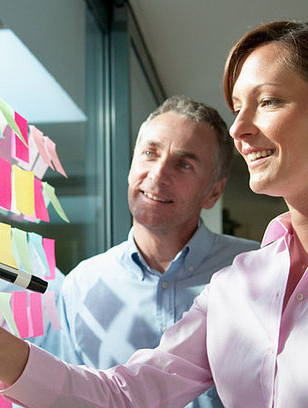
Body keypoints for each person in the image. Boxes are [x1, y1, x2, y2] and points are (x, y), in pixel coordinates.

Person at [0, 21, 308, 407]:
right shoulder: (239, 283)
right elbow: (123, 397)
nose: (240, 128)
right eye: (237, 107)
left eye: (269, 101)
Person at [56, 95, 259, 407]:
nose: (157, 175)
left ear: (213, 191)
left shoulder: (257, 270)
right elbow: (67, 399)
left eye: (183, 164)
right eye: (150, 153)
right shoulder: (80, 287)